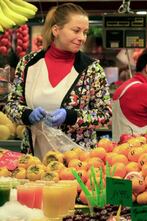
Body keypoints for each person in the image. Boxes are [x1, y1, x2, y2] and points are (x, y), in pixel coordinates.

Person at [4, 3, 112, 154]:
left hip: (77, 162)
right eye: (76, 30)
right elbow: (11, 105)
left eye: (85, 32)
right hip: (35, 160)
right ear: (56, 30)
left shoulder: (92, 70)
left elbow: (105, 114)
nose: (82, 38)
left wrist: (70, 116)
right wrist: (27, 115)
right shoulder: (28, 64)